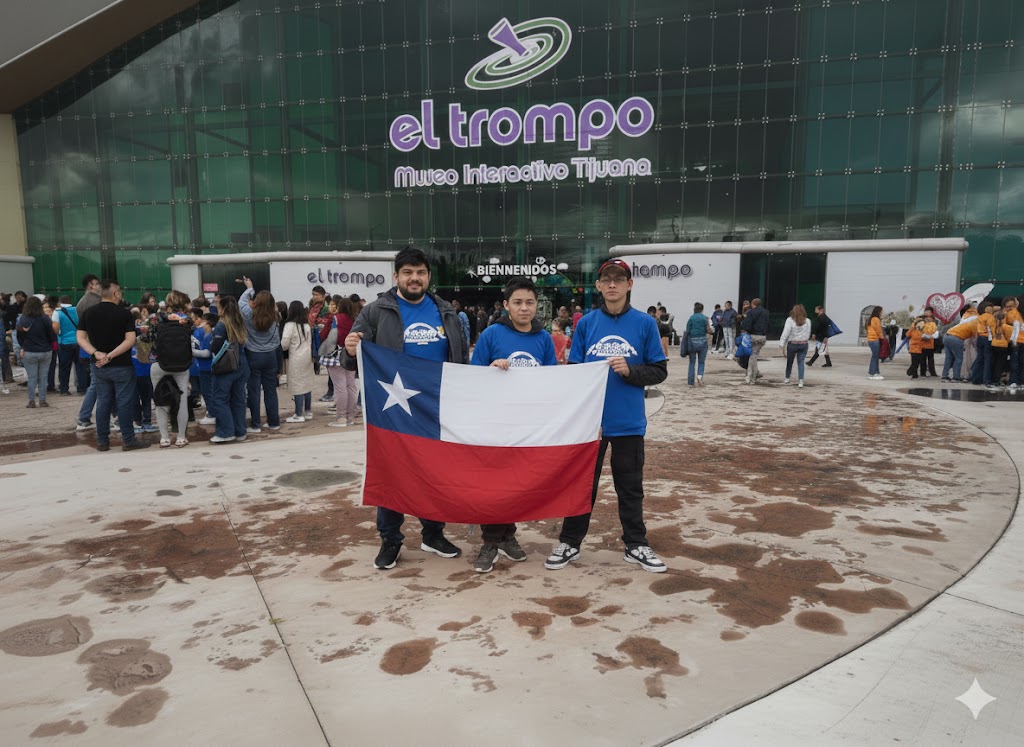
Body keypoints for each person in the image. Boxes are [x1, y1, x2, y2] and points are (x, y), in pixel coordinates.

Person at [342, 246, 468, 570]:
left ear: (428, 276)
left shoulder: (446, 312)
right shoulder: (374, 312)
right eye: (408, 273)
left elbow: (461, 359)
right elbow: (351, 359)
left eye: (421, 272)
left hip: (436, 409)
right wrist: (349, 347)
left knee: (435, 472)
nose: (415, 278)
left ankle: (433, 534)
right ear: (396, 276)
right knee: (392, 474)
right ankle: (391, 539)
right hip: (393, 411)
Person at [545, 258, 669, 574]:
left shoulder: (645, 324)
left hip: (628, 423)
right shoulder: (586, 324)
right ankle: (570, 542)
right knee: (582, 485)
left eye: (619, 278)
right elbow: (574, 373)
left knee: (630, 487)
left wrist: (630, 371)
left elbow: (659, 370)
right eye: (606, 279)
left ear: (629, 284)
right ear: (598, 286)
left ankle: (636, 544)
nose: (612, 284)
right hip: (591, 425)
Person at [469, 277, 556, 573]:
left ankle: (508, 536)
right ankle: (490, 541)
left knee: (516, 482)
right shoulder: (492, 334)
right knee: (493, 483)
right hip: (495, 422)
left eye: (529, 302)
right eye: (517, 302)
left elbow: (553, 380)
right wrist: (492, 369)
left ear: (536, 306)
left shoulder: (543, 338)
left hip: (527, 424)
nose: (524, 308)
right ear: (506, 305)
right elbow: (473, 375)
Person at [76, 281, 150, 452]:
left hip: (99, 366)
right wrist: (110, 356)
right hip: (121, 364)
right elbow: (130, 340)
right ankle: (128, 440)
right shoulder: (124, 314)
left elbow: (80, 338)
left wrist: (96, 353)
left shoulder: (88, 313)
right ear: (116, 293)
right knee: (124, 402)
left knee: (103, 402)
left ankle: (102, 441)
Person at [150, 291, 194, 448]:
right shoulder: (187, 320)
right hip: (181, 364)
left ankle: (164, 438)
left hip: (159, 362)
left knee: (160, 400)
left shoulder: (157, 317)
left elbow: (147, 338)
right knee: (182, 400)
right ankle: (181, 437)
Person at [237, 277, 281, 433]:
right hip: (270, 355)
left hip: (253, 355)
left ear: (256, 302)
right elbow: (277, 341)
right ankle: (274, 422)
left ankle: (256, 424)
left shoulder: (248, 314)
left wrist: (250, 287)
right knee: (270, 391)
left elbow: (241, 301)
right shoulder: (275, 316)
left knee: (254, 391)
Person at [209, 295, 250, 444]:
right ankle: (240, 431)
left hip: (225, 367)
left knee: (219, 399)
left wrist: (210, 339)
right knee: (238, 399)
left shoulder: (221, 325)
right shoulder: (239, 322)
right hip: (241, 365)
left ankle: (225, 432)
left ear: (223, 308)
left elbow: (215, 346)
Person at [321, 295, 358, 427]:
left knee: (340, 386)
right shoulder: (356, 320)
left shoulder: (335, 319)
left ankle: (341, 417)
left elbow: (324, 334)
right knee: (351, 385)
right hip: (351, 354)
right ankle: (350, 417)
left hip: (335, 355)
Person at [15, 296, 55, 407]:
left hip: (29, 352)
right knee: (43, 377)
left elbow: (19, 336)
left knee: (32, 377)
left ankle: (31, 401)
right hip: (45, 351)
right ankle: (42, 400)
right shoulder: (45, 318)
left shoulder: (22, 319)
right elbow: (51, 335)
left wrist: (23, 346)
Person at [281, 301, 315, 422]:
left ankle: (298, 414)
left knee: (297, 385)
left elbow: (284, 344)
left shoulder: (289, 325)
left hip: (295, 358)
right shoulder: (306, 325)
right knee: (307, 384)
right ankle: (308, 411)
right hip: (307, 358)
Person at [51, 295, 83, 395]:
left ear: (59, 302)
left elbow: (55, 329)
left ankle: (64, 389)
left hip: (64, 342)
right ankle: (81, 388)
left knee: (64, 367)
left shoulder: (57, 312)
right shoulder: (77, 310)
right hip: (78, 341)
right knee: (80, 366)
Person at [941, 305, 978, 382]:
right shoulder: (977, 322)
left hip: (947, 335)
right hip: (956, 338)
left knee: (949, 358)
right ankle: (956, 377)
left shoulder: (966, 318)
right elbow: (974, 339)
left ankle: (944, 376)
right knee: (958, 358)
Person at [192, 310, 216, 425]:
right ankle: (211, 412)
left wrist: (192, 352)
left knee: (207, 392)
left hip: (206, 368)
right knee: (208, 391)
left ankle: (211, 413)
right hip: (206, 367)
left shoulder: (208, 336)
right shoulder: (209, 335)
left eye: (204, 322)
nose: (202, 324)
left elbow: (206, 353)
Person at [779, 304, 811, 387]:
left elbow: (786, 332)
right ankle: (801, 381)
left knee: (790, 361)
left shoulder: (790, 320)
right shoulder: (807, 321)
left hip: (792, 344)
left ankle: (787, 378)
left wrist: (782, 343)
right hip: (803, 344)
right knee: (801, 362)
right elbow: (808, 333)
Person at [739, 298, 769, 385]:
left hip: (753, 336)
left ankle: (750, 377)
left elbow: (746, 325)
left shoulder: (751, 312)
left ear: (753, 304)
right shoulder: (766, 312)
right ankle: (756, 373)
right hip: (762, 337)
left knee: (751, 357)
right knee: (754, 356)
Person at [682, 302, 711, 386]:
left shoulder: (691, 318)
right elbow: (708, 330)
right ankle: (699, 377)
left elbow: (687, 331)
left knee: (692, 362)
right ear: (702, 309)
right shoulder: (705, 318)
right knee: (701, 362)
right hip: (703, 341)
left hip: (692, 342)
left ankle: (691, 382)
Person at [970, 302, 997, 387]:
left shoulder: (979, 317)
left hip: (979, 337)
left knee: (979, 358)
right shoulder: (990, 317)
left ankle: (975, 379)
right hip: (987, 338)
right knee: (987, 359)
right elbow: (992, 328)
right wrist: (993, 337)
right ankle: (986, 380)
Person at [865, 306, 885, 380]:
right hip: (874, 339)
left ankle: (875, 372)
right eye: (881, 311)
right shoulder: (876, 319)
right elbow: (878, 329)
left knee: (875, 356)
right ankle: (873, 373)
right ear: (878, 311)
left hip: (871, 339)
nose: (882, 313)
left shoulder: (871, 319)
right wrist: (882, 337)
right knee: (875, 357)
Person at [920, 307, 940, 377]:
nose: (927, 313)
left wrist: (930, 336)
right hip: (922, 343)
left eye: (929, 312)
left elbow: (935, 331)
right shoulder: (920, 320)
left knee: (931, 358)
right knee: (923, 359)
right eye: (926, 311)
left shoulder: (934, 322)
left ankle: (932, 372)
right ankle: (923, 372)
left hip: (930, 343)